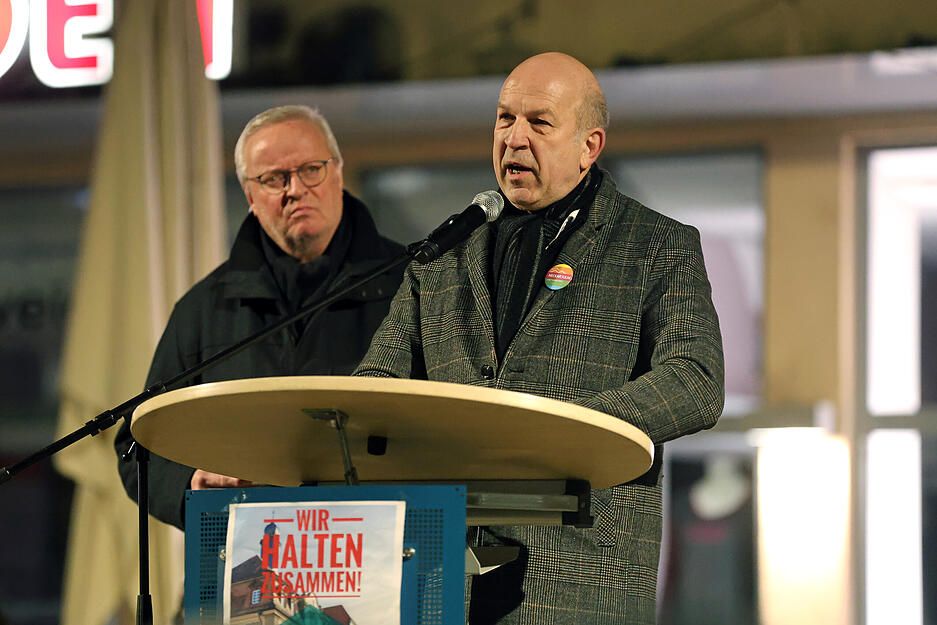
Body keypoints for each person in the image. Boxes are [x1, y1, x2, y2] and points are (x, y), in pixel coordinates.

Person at [354, 53, 725, 623]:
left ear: (590, 145)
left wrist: (566, 433)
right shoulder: (444, 253)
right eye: (504, 119)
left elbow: (696, 380)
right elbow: (375, 386)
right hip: (440, 576)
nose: (515, 139)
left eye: (539, 123)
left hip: (580, 581)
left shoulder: (657, 246)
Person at [114, 105, 405, 530]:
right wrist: (191, 483)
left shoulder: (411, 284)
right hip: (250, 565)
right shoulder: (205, 309)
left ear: (338, 173)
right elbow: (137, 446)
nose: (295, 189)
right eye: (273, 179)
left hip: (382, 550)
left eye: (311, 169)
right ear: (250, 196)